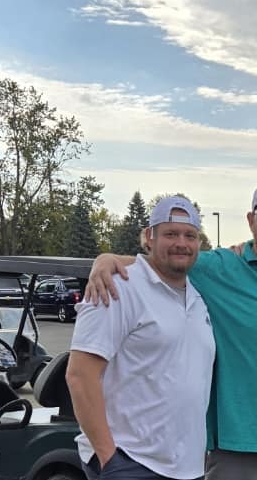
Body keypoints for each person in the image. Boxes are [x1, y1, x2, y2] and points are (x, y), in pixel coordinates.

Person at [86, 179, 257, 480]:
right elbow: (162, 262)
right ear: (251, 220)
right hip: (236, 452)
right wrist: (107, 260)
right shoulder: (218, 268)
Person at [66, 195, 216, 480]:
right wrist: (110, 460)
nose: (181, 243)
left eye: (190, 235)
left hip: (187, 468)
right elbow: (80, 375)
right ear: (149, 237)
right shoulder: (116, 286)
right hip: (131, 463)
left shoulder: (198, 297)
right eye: (170, 233)